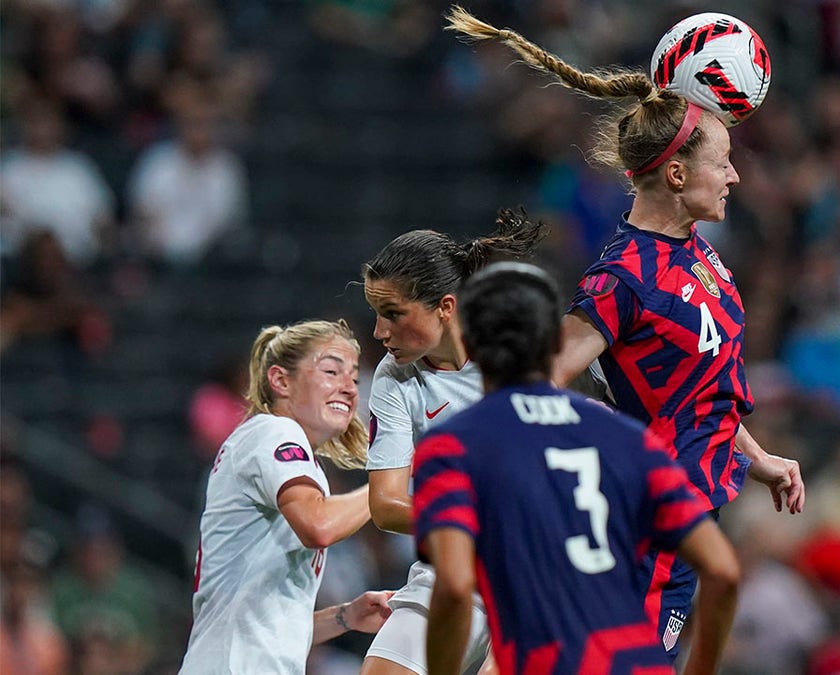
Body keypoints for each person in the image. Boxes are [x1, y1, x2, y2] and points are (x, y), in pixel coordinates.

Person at [446, 6, 804, 659]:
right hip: (640, 531)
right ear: (676, 173)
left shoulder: (704, 257)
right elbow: (542, 376)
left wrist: (759, 459)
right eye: (723, 162)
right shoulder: (624, 278)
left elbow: (703, 389)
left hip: (687, 525)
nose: (735, 175)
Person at [414, 261, 740, 675]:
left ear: (469, 342)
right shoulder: (628, 437)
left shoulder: (452, 445)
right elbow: (723, 570)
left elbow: (456, 587)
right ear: (555, 342)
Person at [359, 209, 547, 675]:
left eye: (393, 314)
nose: (380, 333)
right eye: (376, 315)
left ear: (445, 306)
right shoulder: (394, 377)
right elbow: (384, 505)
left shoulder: (517, 351)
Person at [179, 319, 393, 674]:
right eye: (331, 371)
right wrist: (386, 487)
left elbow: (266, 627)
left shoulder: (286, 456)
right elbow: (319, 526)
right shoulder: (273, 432)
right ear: (280, 381)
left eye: (354, 378)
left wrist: (345, 617)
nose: (349, 388)